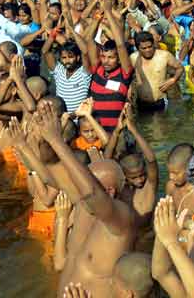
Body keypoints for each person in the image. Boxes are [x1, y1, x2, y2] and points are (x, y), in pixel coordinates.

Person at [34, 101, 137, 298]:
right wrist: (45, 136)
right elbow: (48, 163)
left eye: (85, 183)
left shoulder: (122, 219)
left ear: (110, 191)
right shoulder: (83, 206)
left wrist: (56, 140)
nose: (80, 188)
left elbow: (92, 193)